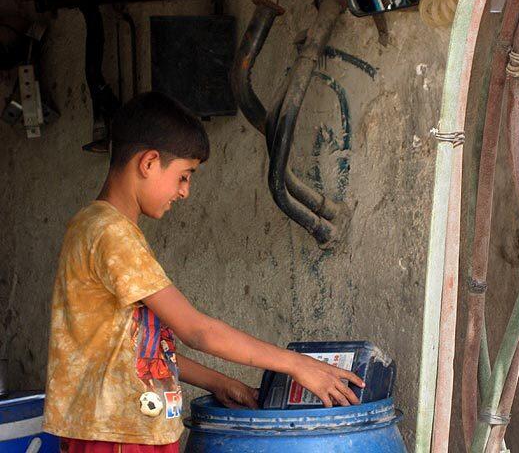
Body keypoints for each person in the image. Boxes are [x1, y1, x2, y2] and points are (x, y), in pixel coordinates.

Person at [43, 92, 364, 453]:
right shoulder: (110, 233)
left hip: (127, 429)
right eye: (184, 176)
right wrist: (296, 365)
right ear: (149, 163)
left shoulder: (104, 229)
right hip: (117, 435)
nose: (185, 192)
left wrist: (219, 382)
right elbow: (197, 330)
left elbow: (136, 351)